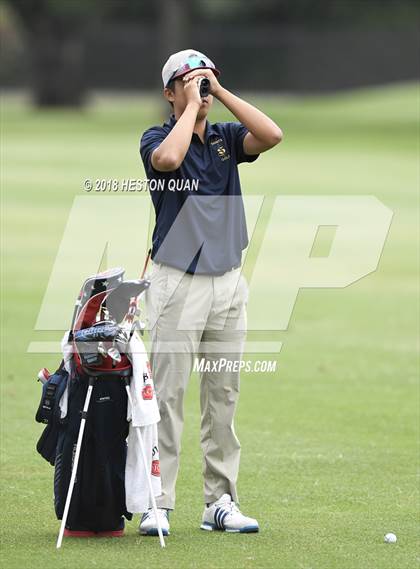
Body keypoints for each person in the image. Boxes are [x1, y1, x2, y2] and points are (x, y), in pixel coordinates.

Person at [139, 49, 282, 536]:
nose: (201, 87)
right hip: (177, 282)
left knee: (223, 396)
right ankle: (155, 502)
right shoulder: (157, 136)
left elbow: (271, 135)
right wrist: (188, 112)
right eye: (190, 80)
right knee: (167, 396)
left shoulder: (225, 136)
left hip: (227, 283)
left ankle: (219, 501)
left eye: (208, 79)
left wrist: (216, 93)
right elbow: (171, 158)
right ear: (168, 92)